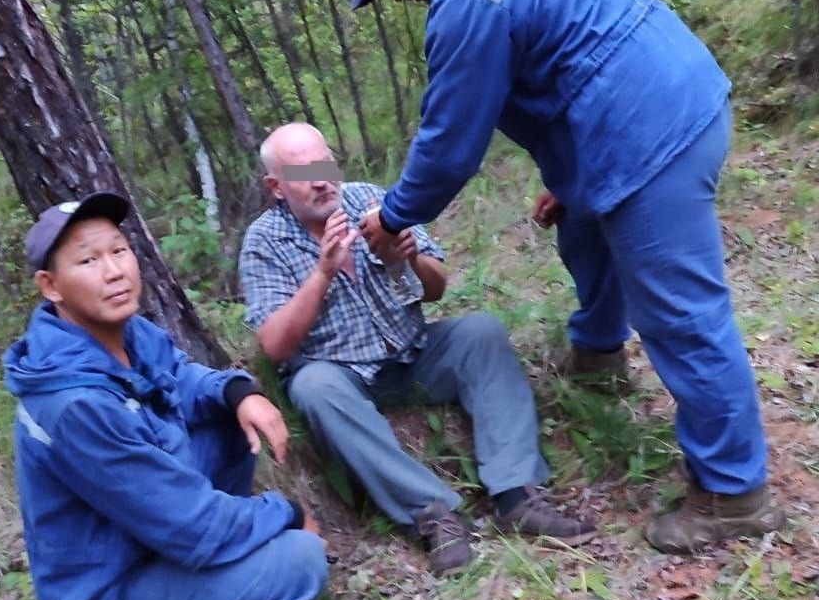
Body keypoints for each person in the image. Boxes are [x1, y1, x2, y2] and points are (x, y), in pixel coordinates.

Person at [339, 0, 783, 555]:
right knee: (581, 227)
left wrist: (394, 216)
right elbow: (578, 54)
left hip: (652, 141)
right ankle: (599, 356)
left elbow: (449, 145)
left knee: (682, 317)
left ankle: (733, 495)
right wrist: (573, 174)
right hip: (662, 106)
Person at [3, 191, 328, 600]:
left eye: (118, 250)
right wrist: (286, 513)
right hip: (105, 591)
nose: (114, 271)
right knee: (301, 563)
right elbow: (193, 525)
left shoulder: (124, 331)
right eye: (88, 260)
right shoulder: (75, 404)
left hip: (145, 534)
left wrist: (237, 392)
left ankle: (198, 583)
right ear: (51, 286)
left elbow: (180, 375)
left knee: (226, 421)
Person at [237, 122, 596, 576]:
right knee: (311, 386)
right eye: (303, 172)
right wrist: (323, 273)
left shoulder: (371, 201)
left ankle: (516, 494)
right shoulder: (265, 241)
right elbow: (275, 345)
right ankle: (433, 514)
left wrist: (406, 259)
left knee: (481, 333)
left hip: (413, 351)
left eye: (325, 164)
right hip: (342, 375)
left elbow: (437, 288)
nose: (322, 180)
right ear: (276, 186)